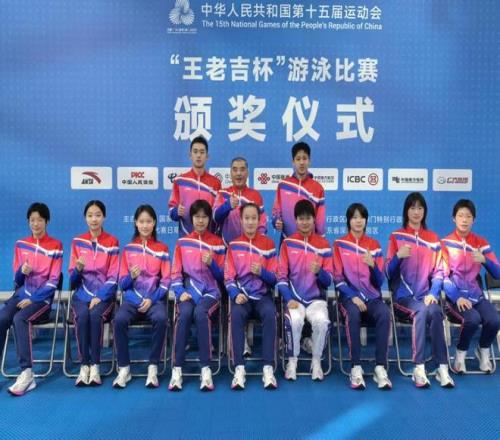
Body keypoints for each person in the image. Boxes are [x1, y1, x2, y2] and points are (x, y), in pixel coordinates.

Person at [386, 192, 454, 388]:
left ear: (425, 211)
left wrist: (433, 293)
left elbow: (439, 272)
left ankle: (442, 367)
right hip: (403, 299)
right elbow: (387, 273)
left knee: (436, 312)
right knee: (421, 311)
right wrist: (398, 256)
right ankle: (419, 367)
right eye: (412, 207)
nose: (416, 212)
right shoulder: (397, 236)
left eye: (420, 208)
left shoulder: (433, 239)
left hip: (425, 297)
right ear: (406, 211)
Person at [0, 203, 63, 396]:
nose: (36, 224)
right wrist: (22, 271)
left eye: (40, 220)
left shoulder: (56, 246)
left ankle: (27, 374)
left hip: (42, 301)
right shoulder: (21, 244)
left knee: (20, 318)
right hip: (21, 295)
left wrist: (34, 298)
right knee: (2, 318)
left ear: (47, 221)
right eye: (32, 220)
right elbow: (17, 280)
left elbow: (54, 281)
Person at [333, 203, 392, 390]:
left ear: (366, 220)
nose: (358, 221)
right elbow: (337, 279)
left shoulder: (374, 245)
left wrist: (373, 265)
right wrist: (352, 296)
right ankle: (355, 367)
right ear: (348, 221)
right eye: (354, 217)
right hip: (349, 299)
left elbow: (379, 281)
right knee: (353, 314)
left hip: (372, 298)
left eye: (361, 217)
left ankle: (380, 367)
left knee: (384, 313)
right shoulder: (340, 244)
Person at [169, 200, 225, 391]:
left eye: (204, 217)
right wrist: (180, 292)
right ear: (191, 219)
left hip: (210, 293)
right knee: (184, 314)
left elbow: (223, 276)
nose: (200, 221)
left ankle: (205, 369)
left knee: (201, 313)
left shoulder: (217, 243)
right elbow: (175, 273)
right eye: (197, 217)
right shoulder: (182, 243)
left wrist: (212, 264)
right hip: (188, 293)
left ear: (209, 219)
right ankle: (177, 369)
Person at [113, 205, 170, 388]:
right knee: (119, 320)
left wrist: (151, 299)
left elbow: (166, 281)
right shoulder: (128, 249)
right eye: (141, 221)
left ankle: (153, 367)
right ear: (136, 223)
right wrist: (131, 277)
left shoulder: (162, 249)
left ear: (154, 223)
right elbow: (122, 284)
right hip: (132, 301)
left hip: (154, 300)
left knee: (161, 319)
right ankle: (124, 368)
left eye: (148, 221)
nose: (145, 225)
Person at [441, 199, 500, 373]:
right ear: (454, 218)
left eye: (468, 216)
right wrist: (456, 297)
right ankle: (460, 355)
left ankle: (483, 350)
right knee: (472, 319)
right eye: (460, 215)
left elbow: (497, 273)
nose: (464, 220)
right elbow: (443, 276)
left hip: (476, 296)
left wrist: (485, 260)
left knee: (495, 319)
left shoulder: (481, 243)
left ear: (473, 219)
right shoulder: (445, 243)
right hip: (455, 298)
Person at [278, 200, 332, 381]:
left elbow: (328, 281)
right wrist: (288, 298)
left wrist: (319, 272)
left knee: (322, 322)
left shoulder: (324, 245)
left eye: (308, 218)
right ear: (295, 220)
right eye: (301, 219)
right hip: (295, 299)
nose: (305, 222)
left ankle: (316, 362)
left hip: (316, 300)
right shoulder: (288, 243)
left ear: (314, 219)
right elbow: (281, 278)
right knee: (294, 321)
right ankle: (292, 361)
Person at [225, 203, 278, 390]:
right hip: (242, 297)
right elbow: (228, 278)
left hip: (262, 296)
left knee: (270, 314)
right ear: (241, 220)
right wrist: (235, 294)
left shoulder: (268, 245)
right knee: (236, 314)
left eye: (253, 218)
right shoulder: (233, 246)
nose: (250, 222)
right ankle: (239, 368)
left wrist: (262, 272)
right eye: (246, 218)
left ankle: (268, 368)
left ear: (259, 220)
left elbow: (275, 279)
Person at [69, 200, 120, 386]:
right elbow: (72, 282)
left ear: (104, 217)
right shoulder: (77, 242)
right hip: (81, 296)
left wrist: (99, 296)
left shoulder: (112, 242)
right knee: (82, 317)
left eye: (98, 215)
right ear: (85, 218)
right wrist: (78, 270)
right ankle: (84, 366)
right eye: (90, 215)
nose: (94, 219)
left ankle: (96, 366)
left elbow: (114, 277)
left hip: (103, 297)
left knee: (95, 316)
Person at [168, 136, 221, 237]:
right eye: (195, 152)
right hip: (186, 239)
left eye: (202, 152)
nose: (198, 155)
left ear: (207, 156)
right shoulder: (180, 181)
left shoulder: (215, 183)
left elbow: (217, 213)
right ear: (190, 155)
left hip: (209, 240)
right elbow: (171, 212)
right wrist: (176, 211)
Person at [272, 142, 325, 241]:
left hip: (310, 243)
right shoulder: (283, 185)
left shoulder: (318, 188)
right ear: (293, 162)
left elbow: (320, 219)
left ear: (309, 161)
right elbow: (276, 210)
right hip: (287, 241)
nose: (301, 162)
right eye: (298, 159)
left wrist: (321, 241)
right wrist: (276, 221)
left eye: (304, 158)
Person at [213, 157, 267, 246]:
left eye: (242, 170)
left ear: (247, 173)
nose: (238, 173)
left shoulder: (256, 195)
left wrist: (258, 244)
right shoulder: (222, 193)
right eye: (235, 170)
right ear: (230, 173)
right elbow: (215, 217)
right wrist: (228, 205)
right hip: (226, 248)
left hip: (249, 248)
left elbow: (262, 224)